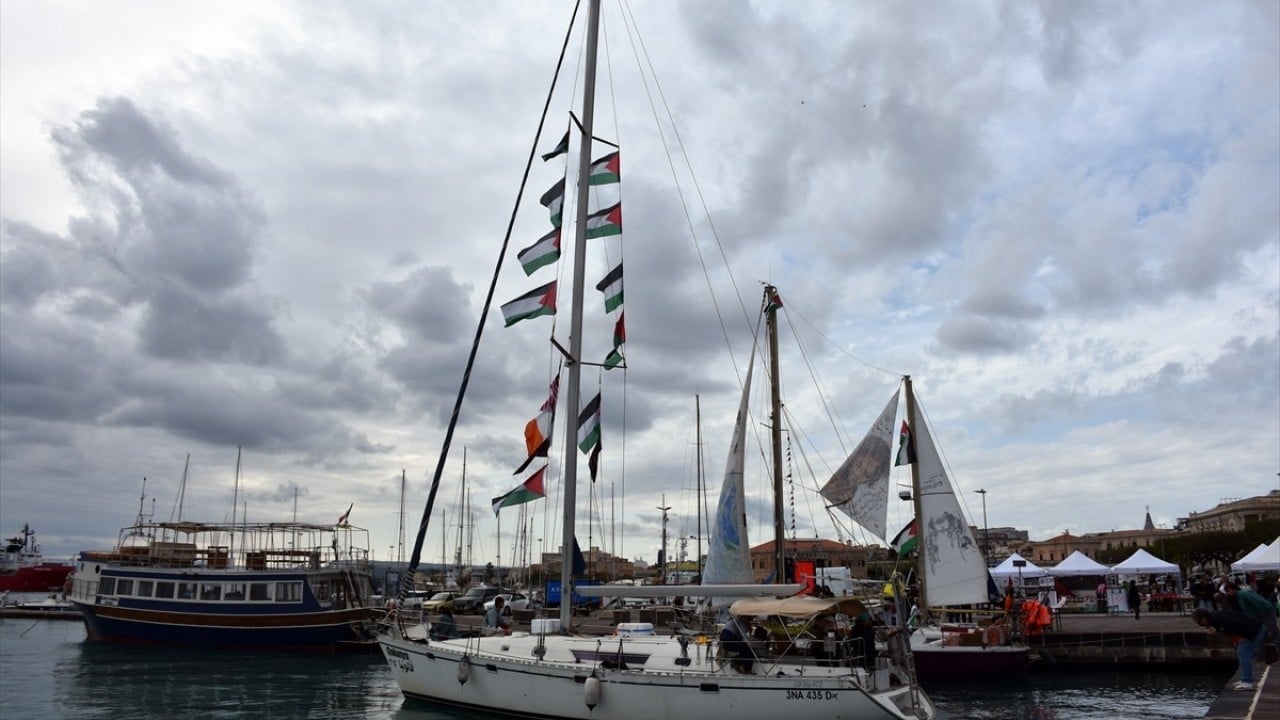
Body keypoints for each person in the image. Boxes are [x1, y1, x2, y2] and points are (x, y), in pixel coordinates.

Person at [1192, 608, 1264, 690]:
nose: (1201, 625)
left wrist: (1242, 637)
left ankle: (1247, 682)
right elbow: (1229, 630)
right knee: (1241, 653)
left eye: (1199, 622)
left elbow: (1236, 624)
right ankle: (1244, 678)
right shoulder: (1215, 619)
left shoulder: (1218, 620)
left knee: (1244, 653)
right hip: (1253, 629)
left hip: (1254, 630)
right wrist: (1236, 640)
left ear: (1204, 618)